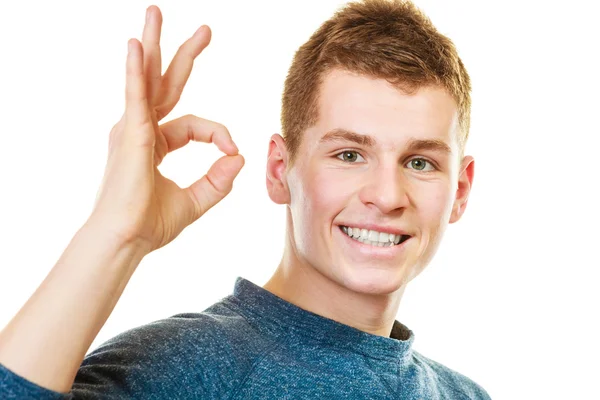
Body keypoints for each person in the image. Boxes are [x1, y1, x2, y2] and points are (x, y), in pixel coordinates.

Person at [0, 0, 491, 398]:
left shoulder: (464, 393)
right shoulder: (190, 367)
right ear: (281, 170)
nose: (386, 196)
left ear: (460, 191)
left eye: (419, 163)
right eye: (348, 154)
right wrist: (114, 233)